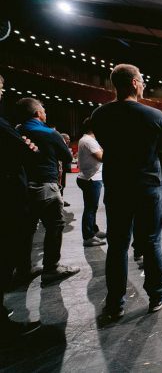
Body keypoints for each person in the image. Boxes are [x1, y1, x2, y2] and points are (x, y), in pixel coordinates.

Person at [92, 63, 162, 319]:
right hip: (147, 185)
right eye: (142, 81)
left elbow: (105, 145)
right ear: (135, 83)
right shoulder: (155, 115)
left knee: (117, 245)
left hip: (117, 186)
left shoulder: (99, 115)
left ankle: (115, 303)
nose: (143, 85)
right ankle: (156, 294)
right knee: (151, 241)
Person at [17, 98, 79, 285]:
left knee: (26, 230)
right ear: (37, 113)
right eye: (43, 110)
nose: (45, 113)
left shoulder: (16, 131)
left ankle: (23, 270)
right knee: (55, 225)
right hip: (45, 185)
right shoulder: (49, 132)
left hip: (22, 187)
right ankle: (51, 268)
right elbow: (66, 157)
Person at [0, 76, 42, 338]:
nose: (2, 92)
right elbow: (28, 152)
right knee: (5, 257)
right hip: (8, 197)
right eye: (0, 88)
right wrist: (27, 147)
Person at [76, 117, 107, 247]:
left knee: (92, 207)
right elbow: (102, 157)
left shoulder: (88, 140)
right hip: (91, 178)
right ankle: (88, 237)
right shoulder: (88, 141)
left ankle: (93, 230)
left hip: (90, 177)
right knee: (90, 208)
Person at [59, 133, 72, 207]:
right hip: (60, 169)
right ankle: (60, 200)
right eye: (68, 139)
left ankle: (61, 199)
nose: (69, 140)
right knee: (60, 185)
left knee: (62, 185)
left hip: (64, 169)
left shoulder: (65, 146)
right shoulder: (61, 145)